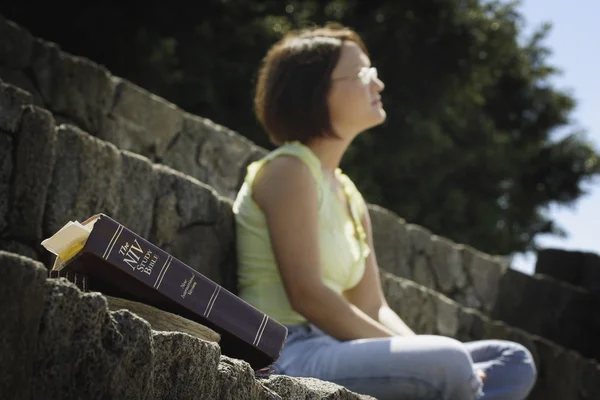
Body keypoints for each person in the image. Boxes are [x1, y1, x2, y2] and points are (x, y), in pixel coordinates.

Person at [233, 23, 537, 400]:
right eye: (363, 74)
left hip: (338, 345)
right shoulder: (288, 171)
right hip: (286, 350)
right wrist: (440, 360)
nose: (377, 84)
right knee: (453, 363)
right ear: (315, 89)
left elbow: (373, 307)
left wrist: (420, 352)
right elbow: (308, 295)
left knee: (512, 359)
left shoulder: (348, 193)